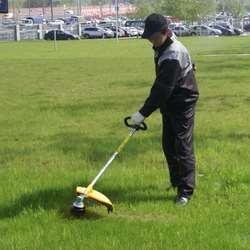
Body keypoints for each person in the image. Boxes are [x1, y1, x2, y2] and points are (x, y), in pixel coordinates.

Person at [127, 13, 199, 206]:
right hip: (170, 100)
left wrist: (142, 113)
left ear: (165, 32)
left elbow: (162, 89)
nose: (149, 40)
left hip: (183, 101)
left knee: (182, 146)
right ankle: (176, 182)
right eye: (148, 36)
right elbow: (163, 86)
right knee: (169, 145)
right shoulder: (162, 45)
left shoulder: (173, 54)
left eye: (152, 36)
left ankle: (185, 192)